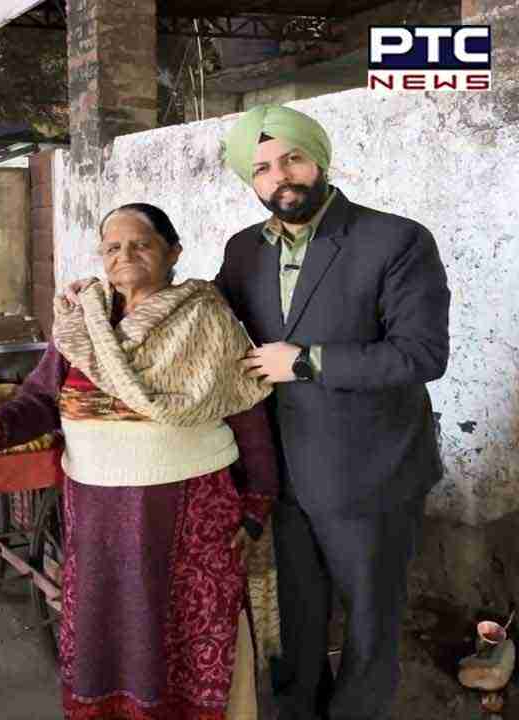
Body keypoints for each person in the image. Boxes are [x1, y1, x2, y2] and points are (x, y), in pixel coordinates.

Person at [0, 203, 280, 719]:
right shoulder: (82, 325)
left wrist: (256, 504)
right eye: (112, 247)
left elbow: (247, 411)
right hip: (97, 515)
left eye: (140, 243)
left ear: (173, 252)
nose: (125, 255)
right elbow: (39, 400)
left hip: (192, 513)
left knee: (189, 630)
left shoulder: (207, 318)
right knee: (108, 631)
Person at [212, 104, 450, 720]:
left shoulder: (395, 239)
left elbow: (421, 354)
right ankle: (297, 709)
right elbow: (204, 318)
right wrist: (111, 295)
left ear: (318, 158)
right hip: (284, 475)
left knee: (370, 621)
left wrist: (307, 361)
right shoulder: (244, 252)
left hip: (373, 474)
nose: (280, 175)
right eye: (262, 167)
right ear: (251, 179)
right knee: (297, 614)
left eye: (292, 156)